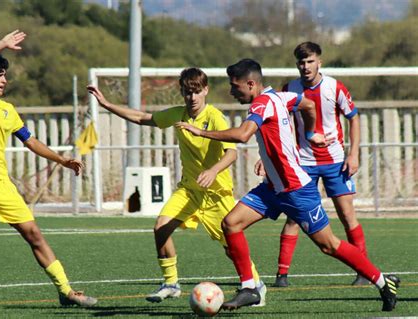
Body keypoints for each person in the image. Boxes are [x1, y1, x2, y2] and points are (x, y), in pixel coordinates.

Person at [176, 59, 399, 312]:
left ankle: (383, 281)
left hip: (296, 190)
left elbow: (242, 135)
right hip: (272, 188)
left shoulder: (261, 103)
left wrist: (201, 132)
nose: (231, 91)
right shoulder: (280, 97)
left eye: (234, 86)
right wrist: (310, 132)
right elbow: (308, 104)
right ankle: (249, 288)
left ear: (251, 84)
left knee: (329, 245)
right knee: (230, 223)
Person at [87, 68, 267, 305]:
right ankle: (171, 283)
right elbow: (144, 118)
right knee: (161, 227)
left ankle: (256, 286)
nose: (192, 98)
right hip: (189, 190)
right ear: (182, 92)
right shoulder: (178, 115)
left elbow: (231, 154)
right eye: (187, 92)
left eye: (196, 92)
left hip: (215, 195)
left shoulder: (215, 117)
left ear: (205, 90)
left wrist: (213, 171)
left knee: (230, 247)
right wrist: (107, 105)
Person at [0, 30, 97, 311]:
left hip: (1, 184)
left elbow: (30, 141)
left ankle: (66, 291)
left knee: (34, 234)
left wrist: (62, 160)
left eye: (5, 76)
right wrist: (1, 44)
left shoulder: (9, 110)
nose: (4, 80)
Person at [269, 41, 369, 288]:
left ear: (319, 62)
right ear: (297, 65)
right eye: (301, 62)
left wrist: (353, 154)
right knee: (294, 217)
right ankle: (282, 276)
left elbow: (354, 119)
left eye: (310, 61)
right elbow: (278, 125)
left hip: (335, 162)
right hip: (303, 163)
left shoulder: (334, 87)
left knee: (347, 215)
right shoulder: (289, 89)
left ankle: (364, 271)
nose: (306, 66)